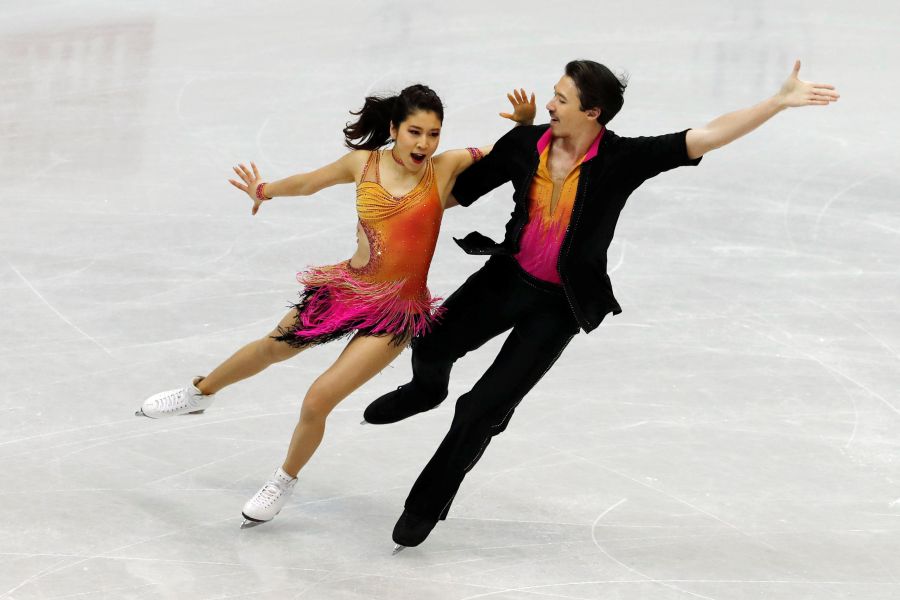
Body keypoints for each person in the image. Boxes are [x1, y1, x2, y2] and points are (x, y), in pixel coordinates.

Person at [363, 59, 839, 553]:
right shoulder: (524, 145)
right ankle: (424, 390)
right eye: (553, 94)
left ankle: (424, 507)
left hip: (560, 305)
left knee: (481, 409)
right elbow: (451, 194)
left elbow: (708, 135)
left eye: (561, 99)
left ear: (592, 112)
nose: (549, 104)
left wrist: (778, 102)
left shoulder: (621, 159)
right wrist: (382, 188)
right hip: (504, 280)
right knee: (431, 343)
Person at [135, 84, 536, 528]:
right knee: (272, 347)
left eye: (434, 134)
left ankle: (283, 480)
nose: (424, 143)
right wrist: (264, 190)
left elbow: (503, 150)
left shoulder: (444, 168)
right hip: (346, 288)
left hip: (396, 313)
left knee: (317, 399)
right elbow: (310, 182)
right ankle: (198, 393)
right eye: (415, 132)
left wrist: (523, 124)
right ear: (394, 129)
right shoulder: (362, 164)